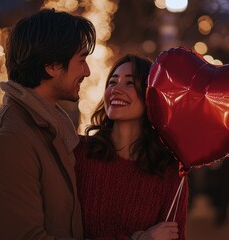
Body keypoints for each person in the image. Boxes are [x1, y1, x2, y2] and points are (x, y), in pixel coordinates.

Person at [0, 9, 96, 239]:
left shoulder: (46, 131)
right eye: (81, 60)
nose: (87, 71)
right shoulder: (6, 142)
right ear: (52, 66)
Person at [74, 54, 188, 240]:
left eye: (129, 83)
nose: (116, 90)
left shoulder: (168, 171)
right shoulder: (80, 153)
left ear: (148, 95)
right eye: (112, 82)